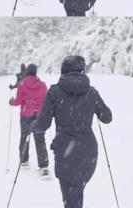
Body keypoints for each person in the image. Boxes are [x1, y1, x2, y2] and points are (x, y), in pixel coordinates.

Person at [33, 55, 112, 208]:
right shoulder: (91, 92)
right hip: (88, 153)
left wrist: (33, 125)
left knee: (71, 197)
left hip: (66, 152)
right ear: (82, 71)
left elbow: (42, 125)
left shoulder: (54, 92)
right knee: (76, 193)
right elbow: (107, 117)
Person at [9, 64, 49, 175]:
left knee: (24, 137)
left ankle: (24, 160)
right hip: (38, 115)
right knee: (39, 138)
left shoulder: (22, 84)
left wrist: (11, 101)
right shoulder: (42, 85)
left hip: (26, 115)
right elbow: (46, 100)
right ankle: (43, 165)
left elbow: (18, 101)